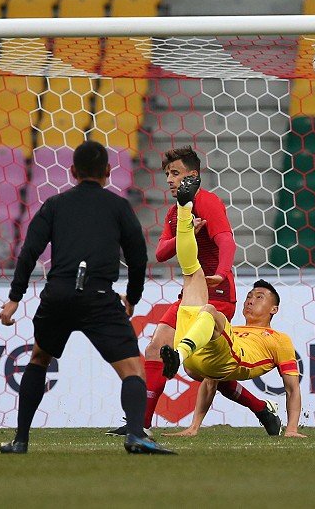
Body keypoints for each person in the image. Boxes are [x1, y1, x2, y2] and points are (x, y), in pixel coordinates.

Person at [0, 140, 173, 454]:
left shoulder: (54, 204)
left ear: (73, 171)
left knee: (38, 358)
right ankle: (135, 435)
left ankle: (20, 440)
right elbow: (138, 257)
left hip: (58, 294)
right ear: (107, 171)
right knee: (133, 370)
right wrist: (132, 297)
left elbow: (29, 252)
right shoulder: (118, 206)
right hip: (98, 295)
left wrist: (14, 298)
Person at [106, 146, 279, 437]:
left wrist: (220, 274)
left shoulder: (208, 202)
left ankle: (261, 408)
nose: (170, 180)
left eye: (175, 173)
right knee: (156, 349)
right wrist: (186, 234)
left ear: (193, 176)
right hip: (189, 295)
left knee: (203, 369)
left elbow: (227, 243)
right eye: (167, 175)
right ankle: (142, 425)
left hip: (218, 295)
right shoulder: (176, 213)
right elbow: (160, 253)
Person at [159, 174, 306, 437]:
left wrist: (292, 429)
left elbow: (292, 387)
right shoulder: (234, 330)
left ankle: (178, 355)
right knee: (191, 271)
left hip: (227, 358)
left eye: (260, 297)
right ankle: (184, 210)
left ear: (274, 309)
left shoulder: (279, 339)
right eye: (250, 295)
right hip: (202, 357)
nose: (251, 299)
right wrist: (194, 427)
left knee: (208, 306)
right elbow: (209, 382)